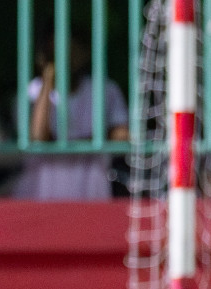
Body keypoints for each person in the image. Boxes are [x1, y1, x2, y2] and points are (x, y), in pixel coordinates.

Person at [13, 28, 129, 200]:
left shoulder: (106, 90)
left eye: (72, 50)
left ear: (85, 53)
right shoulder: (29, 94)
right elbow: (38, 138)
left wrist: (64, 146)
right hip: (40, 195)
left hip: (92, 194)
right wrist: (48, 80)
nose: (66, 58)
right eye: (56, 52)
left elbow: (122, 136)